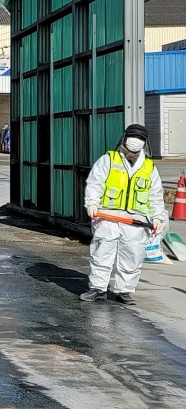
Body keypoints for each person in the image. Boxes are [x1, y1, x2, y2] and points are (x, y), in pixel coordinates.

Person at [81, 124, 168, 305]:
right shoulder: (109, 160)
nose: (135, 142)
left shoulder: (149, 167)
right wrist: (92, 202)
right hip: (108, 216)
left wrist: (158, 216)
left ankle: (125, 291)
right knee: (102, 252)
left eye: (139, 138)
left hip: (136, 220)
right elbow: (95, 182)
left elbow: (155, 194)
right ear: (124, 138)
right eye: (133, 137)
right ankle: (98, 288)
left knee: (133, 255)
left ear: (144, 143)